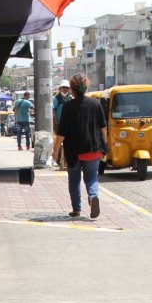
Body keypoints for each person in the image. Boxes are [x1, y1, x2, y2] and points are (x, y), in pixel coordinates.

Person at [51, 74, 107, 219]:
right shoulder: (95, 104)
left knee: (74, 180)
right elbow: (103, 128)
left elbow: (62, 133)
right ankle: (93, 196)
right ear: (86, 86)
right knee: (91, 178)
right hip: (94, 149)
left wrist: (55, 151)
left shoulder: (69, 106)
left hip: (74, 152)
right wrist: (104, 145)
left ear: (72, 90)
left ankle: (76, 209)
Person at [52, 80, 72, 167]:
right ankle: (59, 160)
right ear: (60, 89)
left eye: (66, 88)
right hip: (59, 124)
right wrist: (55, 122)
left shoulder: (70, 98)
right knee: (59, 143)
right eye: (63, 88)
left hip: (68, 124)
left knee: (68, 143)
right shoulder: (56, 99)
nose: (65, 89)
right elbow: (53, 110)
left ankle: (67, 161)